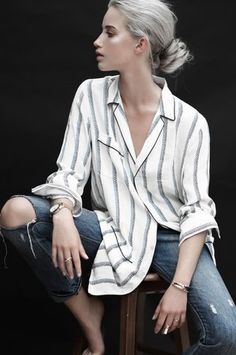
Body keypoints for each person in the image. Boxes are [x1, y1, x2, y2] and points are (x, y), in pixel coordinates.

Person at [1, 0, 236, 354]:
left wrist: (180, 287)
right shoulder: (90, 95)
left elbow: (197, 213)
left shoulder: (190, 124)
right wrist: (63, 212)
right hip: (112, 227)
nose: (97, 41)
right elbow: (70, 172)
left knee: (226, 334)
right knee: (15, 213)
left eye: (110, 32)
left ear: (140, 44)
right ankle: (90, 315)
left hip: (172, 237)